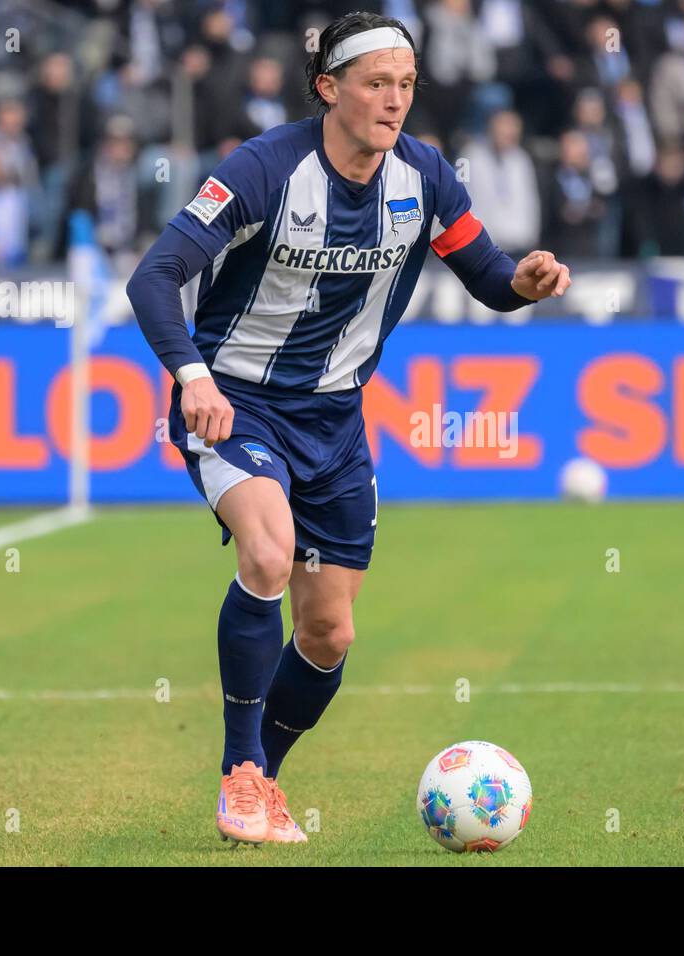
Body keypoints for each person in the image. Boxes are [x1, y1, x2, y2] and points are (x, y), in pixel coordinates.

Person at [125, 11, 570, 847]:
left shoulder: (427, 178)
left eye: (405, 84)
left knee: (328, 634)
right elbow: (155, 276)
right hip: (235, 401)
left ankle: (265, 778)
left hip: (335, 425)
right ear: (329, 88)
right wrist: (190, 377)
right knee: (265, 551)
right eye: (376, 83)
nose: (394, 100)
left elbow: (488, 277)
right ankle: (239, 776)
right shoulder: (262, 170)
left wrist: (526, 279)